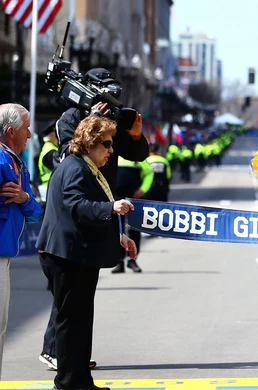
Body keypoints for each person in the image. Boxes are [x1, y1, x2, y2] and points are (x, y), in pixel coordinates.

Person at [40, 68, 149, 368]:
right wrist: (90, 117)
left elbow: (137, 154)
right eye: (105, 95)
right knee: (69, 293)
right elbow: (68, 157)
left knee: (82, 294)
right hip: (75, 214)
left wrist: (136, 135)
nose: (109, 149)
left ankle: (74, 356)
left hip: (101, 205)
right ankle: (56, 351)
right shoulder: (71, 119)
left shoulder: (113, 121)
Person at [36, 115, 137, 390]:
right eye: (106, 144)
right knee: (70, 323)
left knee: (81, 321)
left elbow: (87, 209)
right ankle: (67, 382)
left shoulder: (86, 167)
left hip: (77, 255)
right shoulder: (75, 167)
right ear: (90, 142)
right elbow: (76, 204)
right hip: (66, 256)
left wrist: (119, 236)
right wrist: (111, 208)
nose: (111, 151)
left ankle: (81, 380)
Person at [0, 103, 42, 379]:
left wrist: (25, 199)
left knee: (1, 326)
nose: (29, 135)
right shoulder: (4, 162)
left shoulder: (16, 162)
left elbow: (35, 211)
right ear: (11, 131)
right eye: (26, 129)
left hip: (4, 256)